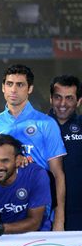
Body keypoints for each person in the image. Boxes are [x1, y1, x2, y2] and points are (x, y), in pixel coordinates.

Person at [0, 64, 66, 231]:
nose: (13, 89)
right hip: (0, 206)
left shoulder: (47, 124)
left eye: (20, 85)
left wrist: (59, 220)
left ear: (30, 89)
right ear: (2, 87)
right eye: (9, 84)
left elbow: (58, 174)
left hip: (36, 207)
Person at [0, 135, 51, 233]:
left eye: (5, 161)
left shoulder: (36, 175)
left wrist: (0, 228)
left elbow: (35, 222)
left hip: (34, 236)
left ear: (18, 160)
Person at [48, 74, 82, 230]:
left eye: (69, 98)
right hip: (44, 214)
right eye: (58, 97)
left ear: (79, 101)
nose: (62, 103)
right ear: (51, 99)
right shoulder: (37, 126)